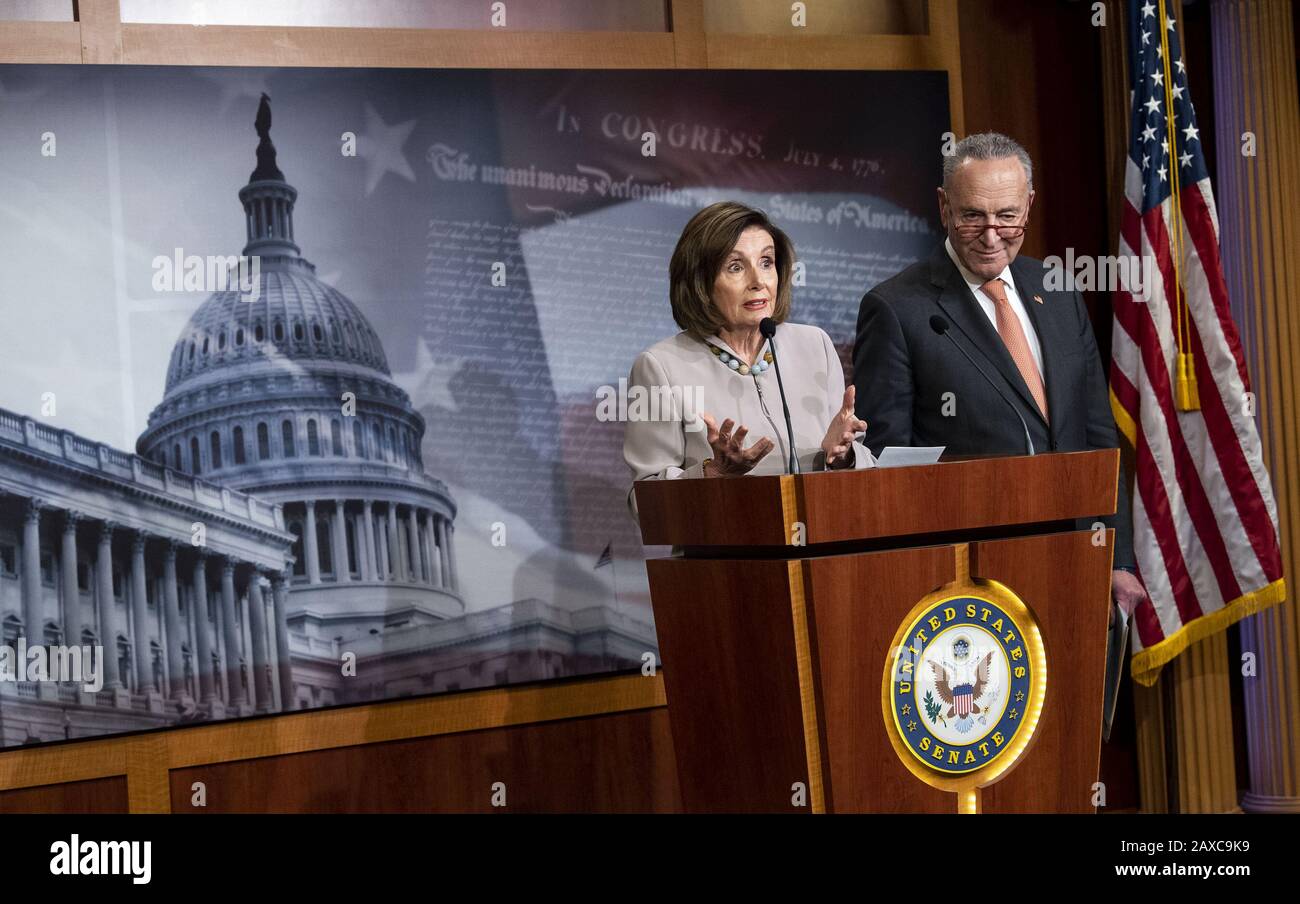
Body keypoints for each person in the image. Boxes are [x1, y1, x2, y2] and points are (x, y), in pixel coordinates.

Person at [852, 132, 1147, 619]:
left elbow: (1096, 433)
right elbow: (889, 466)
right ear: (944, 206)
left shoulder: (1057, 288)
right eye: (973, 217)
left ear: (1029, 205)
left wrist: (1118, 558)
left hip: (1077, 559)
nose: (992, 236)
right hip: (968, 581)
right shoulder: (897, 309)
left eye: (1007, 216)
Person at [624, 201, 873, 516]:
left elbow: (862, 475)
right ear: (701, 281)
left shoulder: (815, 345)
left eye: (766, 262)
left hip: (823, 550)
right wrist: (712, 474)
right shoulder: (659, 366)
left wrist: (844, 457)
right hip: (726, 558)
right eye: (736, 266)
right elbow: (642, 503)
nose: (759, 281)